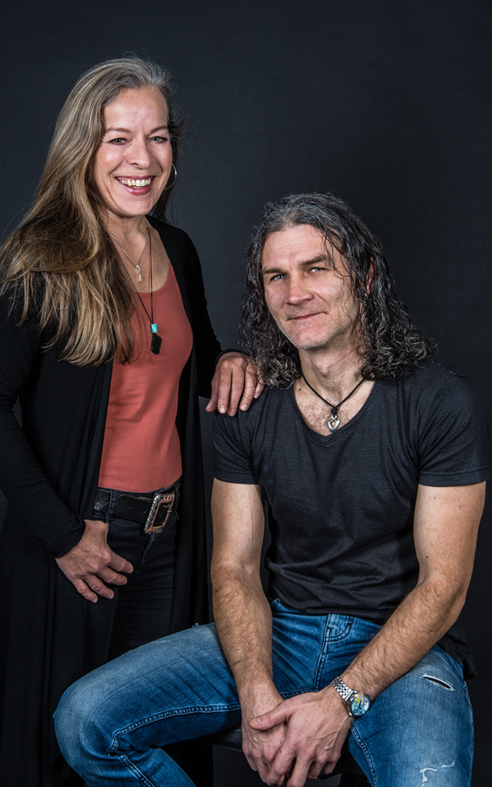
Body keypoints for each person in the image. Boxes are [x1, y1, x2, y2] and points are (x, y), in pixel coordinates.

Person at [54, 193, 488, 787]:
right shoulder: (249, 406)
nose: (294, 293)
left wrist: (341, 701)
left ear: (364, 276)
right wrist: (256, 690)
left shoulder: (439, 403)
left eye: (316, 268)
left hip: (403, 649)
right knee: (86, 721)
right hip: (282, 633)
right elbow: (233, 566)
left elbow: (444, 585)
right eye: (276, 276)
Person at [0, 57, 261, 787]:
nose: (142, 159)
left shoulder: (176, 249)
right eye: (118, 139)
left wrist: (229, 361)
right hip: (82, 537)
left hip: (170, 533)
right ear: (83, 149)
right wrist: (64, 535)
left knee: (149, 736)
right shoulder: (47, 260)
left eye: (157, 138)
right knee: (70, 749)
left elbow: (192, 354)